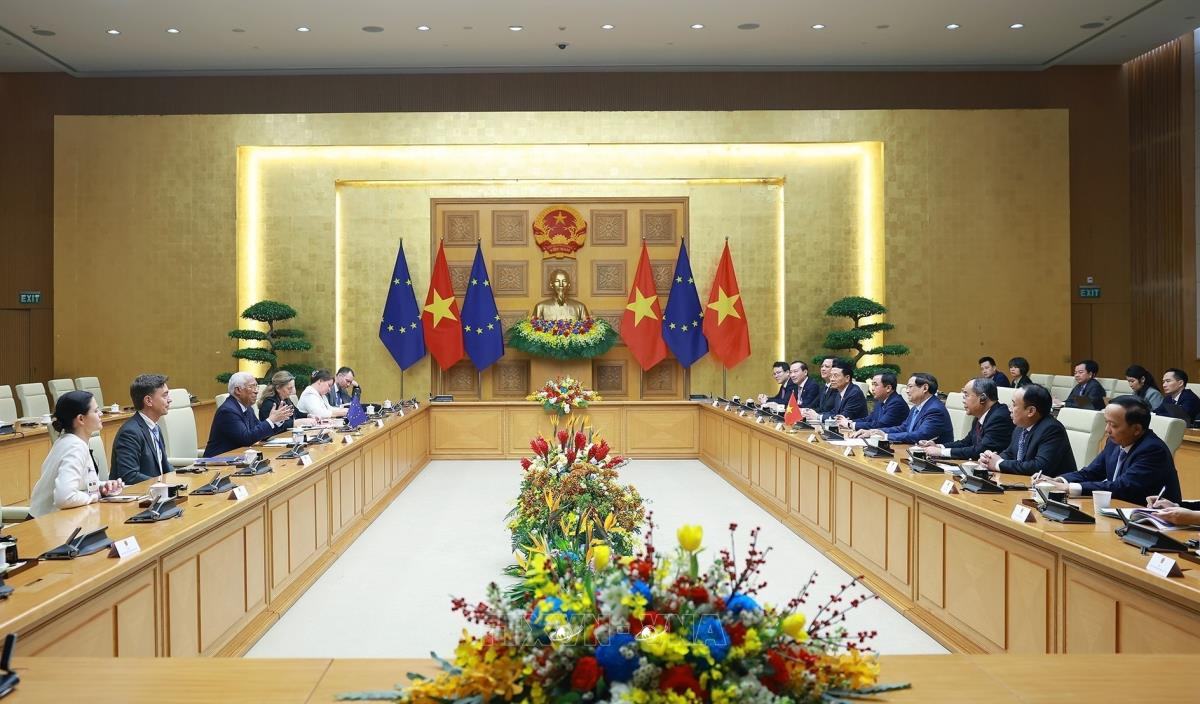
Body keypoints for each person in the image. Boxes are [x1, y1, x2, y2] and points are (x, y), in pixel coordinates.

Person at [1037, 396, 1180, 505]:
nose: (1107, 430)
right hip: (1117, 508)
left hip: (1151, 518)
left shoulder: (1153, 450)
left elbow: (1121, 487)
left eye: (1113, 425)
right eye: (1106, 423)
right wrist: (1058, 480)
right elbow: (1091, 472)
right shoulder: (1113, 442)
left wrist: (1068, 488)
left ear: (1136, 429)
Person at [29, 391, 124, 517]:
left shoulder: (70, 441)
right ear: (81, 419)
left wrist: (102, 487)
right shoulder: (75, 447)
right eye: (96, 411)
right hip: (43, 524)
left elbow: (81, 483)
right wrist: (95, 496)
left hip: (54, 521)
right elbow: (64, 497)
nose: (101, 414)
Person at [978, 384, 1076, 477]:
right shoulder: (1021, 427)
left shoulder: (1052, 429)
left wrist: (999, 464)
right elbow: (1010, 453)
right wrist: (990, 459)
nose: (1010, 409)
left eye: (1014, 405)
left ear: (1031, 411)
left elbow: (1039, 467)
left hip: (1050, 487)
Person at [921, 377, 1014, 460]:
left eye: (966, 395)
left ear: (982, 398)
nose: (963, 400)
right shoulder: (981, 415)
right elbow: (966, 443)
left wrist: (941, 452)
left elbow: (981, 450)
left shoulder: (1000, 417)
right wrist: (939, 446)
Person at [204, 372, 293, 457]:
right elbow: (246, 439)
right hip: (217, 461)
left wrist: (276, 421)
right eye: (251, 387)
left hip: (237, 457)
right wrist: (271, 420)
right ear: (238, 390)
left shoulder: (248, 408)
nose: (256, 391)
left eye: (256, 386)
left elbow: (260, 434)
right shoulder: (228, 411)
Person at [109, 373, 173, 485]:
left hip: (156, 491)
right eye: (164, 396)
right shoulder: (130, 433)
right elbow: (129, 476)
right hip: (136, 494)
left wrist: (178, 479)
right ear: (148, 401)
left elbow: (164, 466)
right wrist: (161, 484)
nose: (170, 400)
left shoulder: (155, 427)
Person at [854, 372, 953, 444]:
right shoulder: (916, 408)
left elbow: (920, 435)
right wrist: (876, 432)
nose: (906, 391)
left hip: (935, 459)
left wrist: (886, 436)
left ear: (925, 388)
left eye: (910, 387)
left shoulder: (935, 410)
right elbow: (904, 428)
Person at [839, 372, 907, 431]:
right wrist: (849, 421)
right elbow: (869, 419)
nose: (872, 388)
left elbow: (881, 425)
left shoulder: (897, 403)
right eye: (872, 384)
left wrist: (850, 424)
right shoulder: (881, 400)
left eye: (876, 385)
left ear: (888, 388)